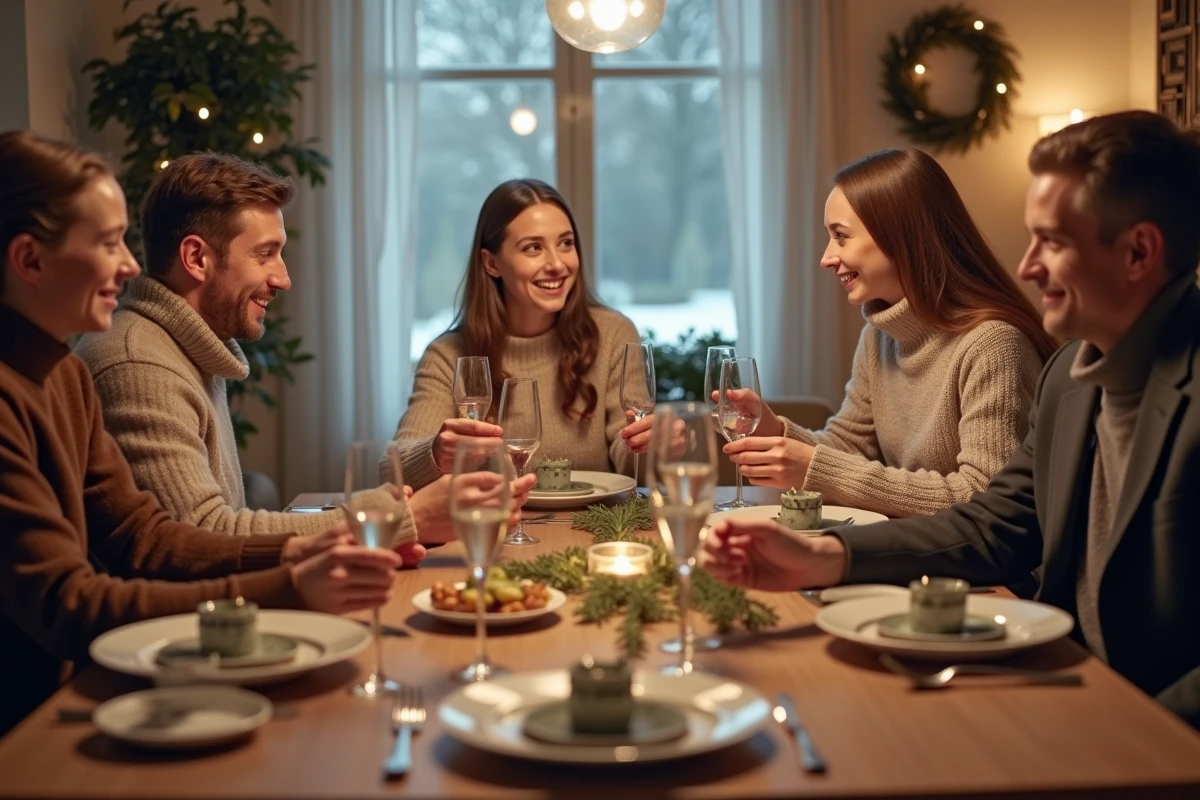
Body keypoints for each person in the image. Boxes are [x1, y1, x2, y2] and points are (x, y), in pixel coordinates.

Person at [702, 111, 1200, 730]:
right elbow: (995, 524)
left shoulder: (1007, 346)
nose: (1027, 267)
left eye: (1054, 241)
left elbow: (975, 498)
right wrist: (823, 557)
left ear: (1139, 252)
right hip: (1059, 675)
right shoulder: (1073, 373)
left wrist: (1148, 731)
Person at [0, 130, 401, 734]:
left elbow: (148, 537)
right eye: (108, 244)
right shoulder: (57, 379)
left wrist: (297, 550)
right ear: (30, 260)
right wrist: (289, 586)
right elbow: (68, 603)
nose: (131, 265)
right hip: (33, 725)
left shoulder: (61, 376)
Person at [74, 153, 528, 545]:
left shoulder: (181, 348)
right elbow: (200, 538)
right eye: (264, 254)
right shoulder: (139, 364)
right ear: (196, 259)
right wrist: (397, 521)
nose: (283, 278)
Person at [720, 149, 1057, 519]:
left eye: (841, 236)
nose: (826, 257)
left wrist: (817, 469)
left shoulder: (993, 345)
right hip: (915, 550)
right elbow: (849, 449)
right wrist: (773, 429)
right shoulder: (879, 337)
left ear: (899, 235)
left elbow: (985, 497)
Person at [392, 178, 642, 489]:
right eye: (533, 248)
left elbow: (631, 465)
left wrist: (650, 447)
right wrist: (435, 453)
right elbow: (394, 470)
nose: (557, 264)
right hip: (493, 530)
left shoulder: (614, 335)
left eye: (566, 243)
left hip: (592, 528)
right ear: (491, 263)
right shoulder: (448, 355)